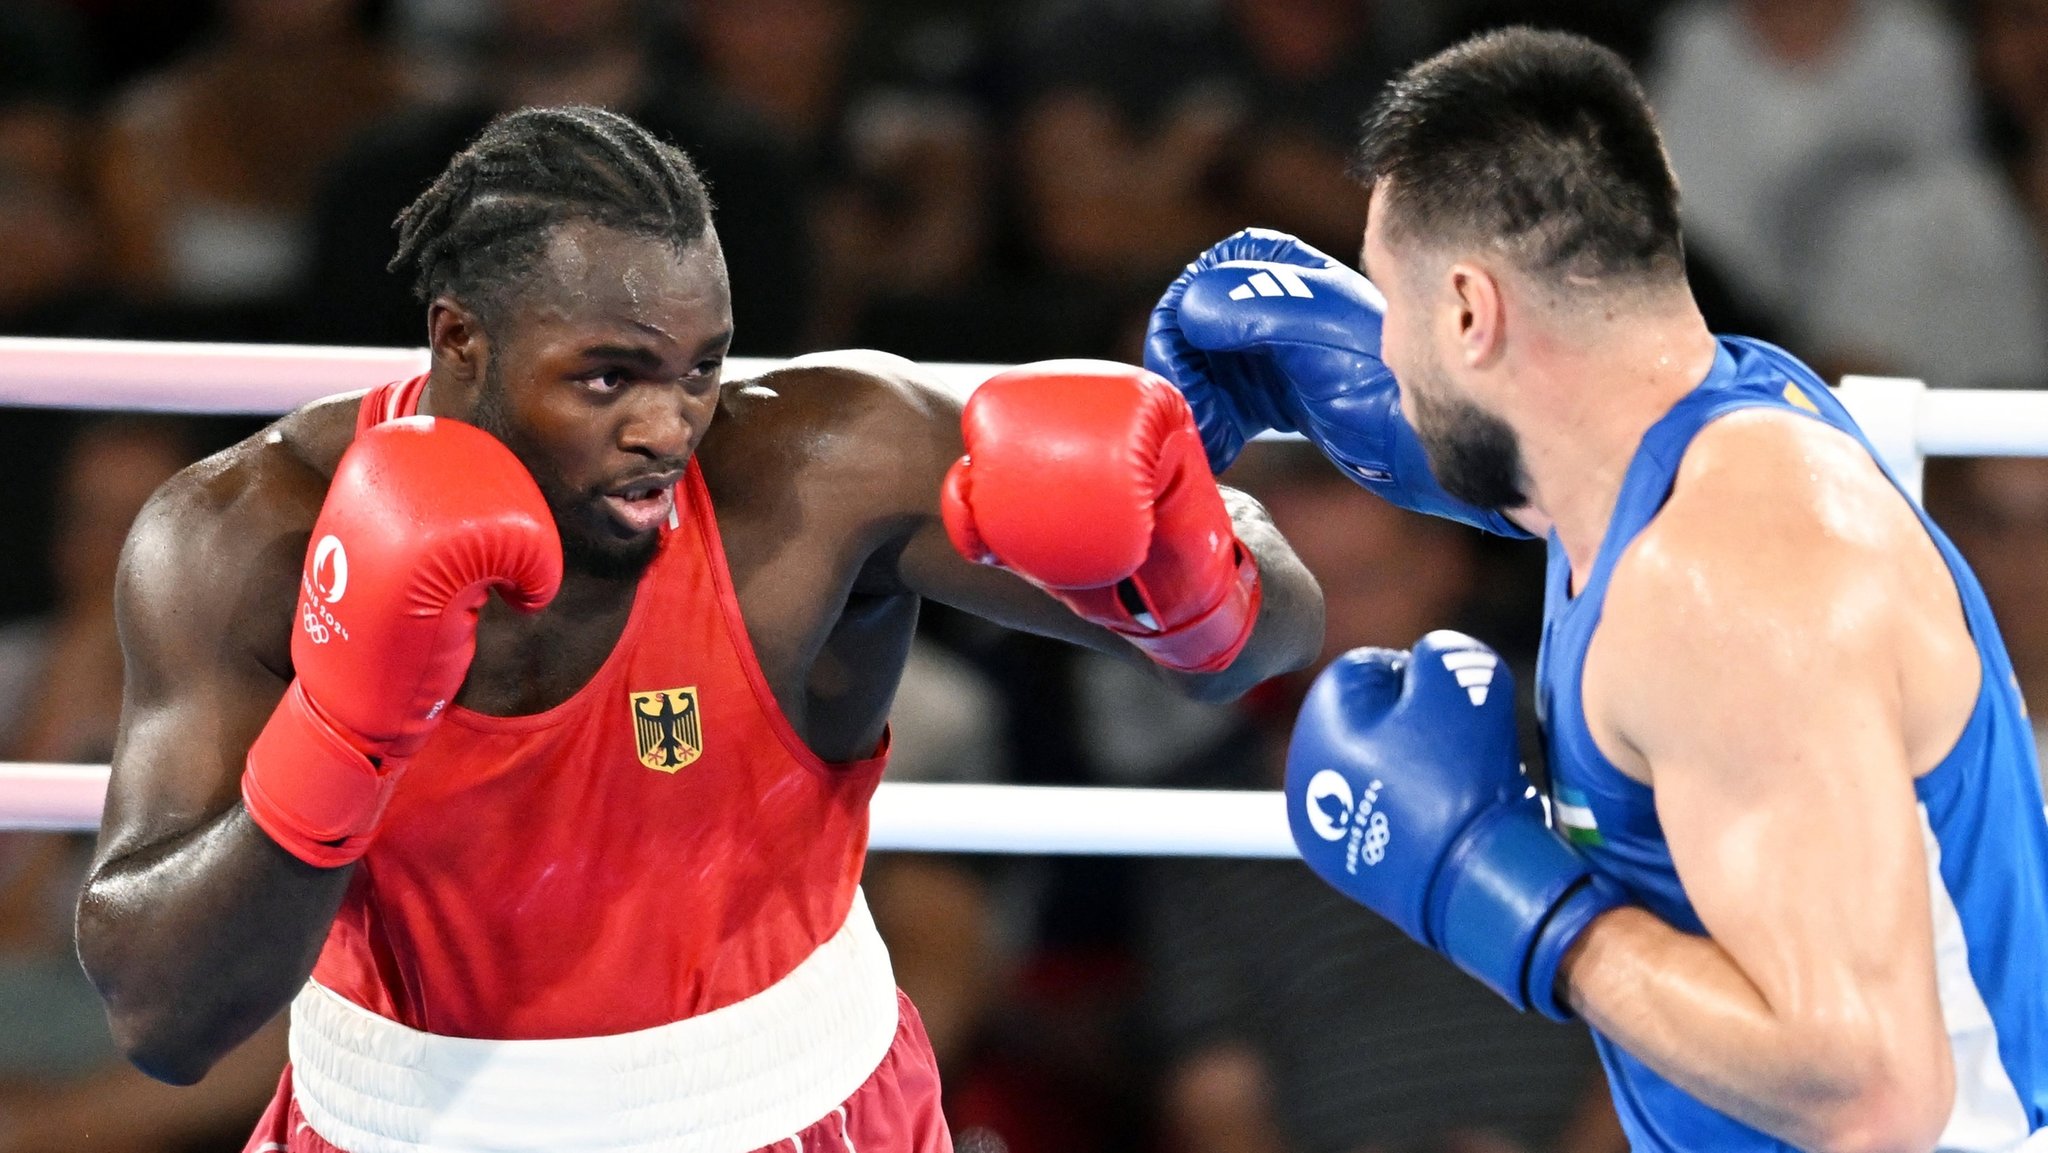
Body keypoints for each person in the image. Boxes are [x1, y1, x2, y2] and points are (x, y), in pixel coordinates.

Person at [74, 104, 1323, 1153]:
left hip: (794, 1104)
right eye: (608, 375)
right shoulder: (249, 538)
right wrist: (343, 729)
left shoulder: (816, 467)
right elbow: (162, 1017)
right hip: (393, 1115)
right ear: (459, 338)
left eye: (700, 368)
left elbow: (1266, 633)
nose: (669, 427)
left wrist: (1186, 568)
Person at [1146, 28, 2048, 1153]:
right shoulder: (1720, 415)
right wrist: (1368, 410)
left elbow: (1867, 1092)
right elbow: (1563, 470)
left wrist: (1512, 898)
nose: (1382, 346)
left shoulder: (1726, 589)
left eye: (1391, 307)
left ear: (1470, 312)